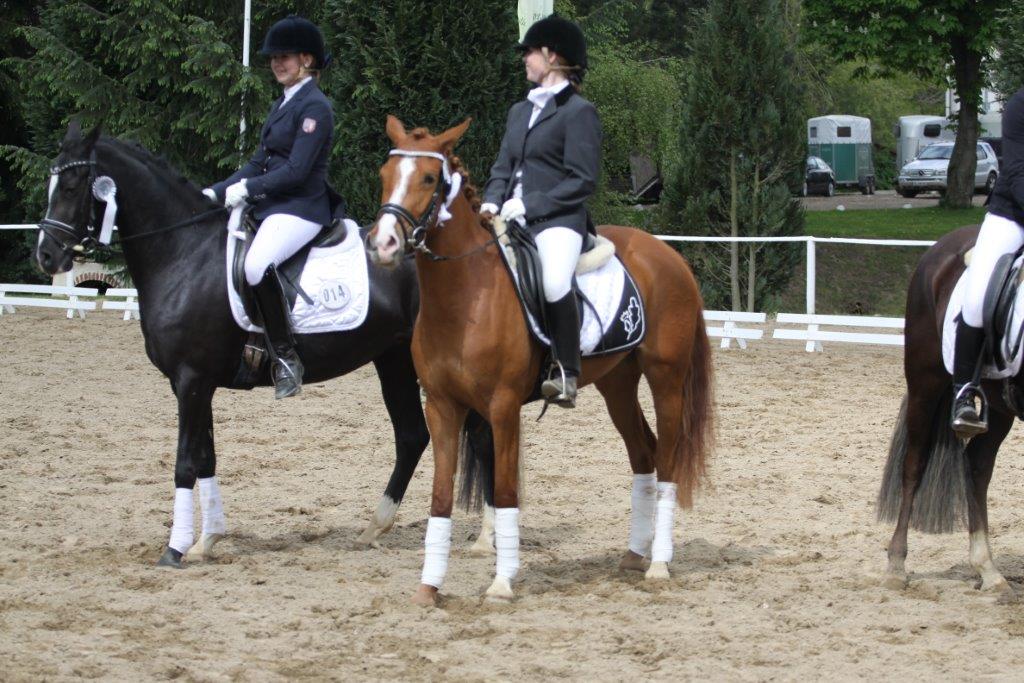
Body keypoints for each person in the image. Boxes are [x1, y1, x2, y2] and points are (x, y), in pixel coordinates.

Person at [204, 15, 335, 399]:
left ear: (307, 60)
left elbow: (295, 171)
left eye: (286, 56)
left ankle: (286, 355)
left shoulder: (316, 108)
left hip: (302, 207)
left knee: (257, 265)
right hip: (273, 204)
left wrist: (247, 188)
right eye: (274, 57)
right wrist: (215, 192)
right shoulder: (283, 103)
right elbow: (258, 161)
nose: (277, 63)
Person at [480, 15, 601, 409]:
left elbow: (581, 180)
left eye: (530, 52)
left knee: (552, 282)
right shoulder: (519, 111)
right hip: (509, 218)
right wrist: (492, 199)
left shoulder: (578, 112)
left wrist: (530, 204)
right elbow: (502, 167)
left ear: (552, 56)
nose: (525, 59)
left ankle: (566, 370)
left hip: (558, 220)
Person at [951, 85, 1024, 436]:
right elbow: (1017, 172)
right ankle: (965, 392)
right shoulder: (1019, 106)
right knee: (978, 299)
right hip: (1012, 215)